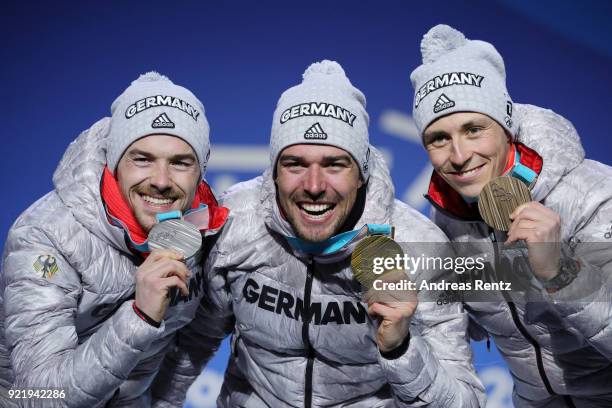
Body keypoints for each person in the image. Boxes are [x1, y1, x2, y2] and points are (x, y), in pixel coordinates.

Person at [153, 60, 485, 407]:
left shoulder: (419, 248)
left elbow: (465, 401)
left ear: (362, 173)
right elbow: (193, 343)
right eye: (295, 164)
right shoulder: (234, 223)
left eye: (334, 164)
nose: (314, 186)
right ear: (276, 171)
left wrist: (401, 348)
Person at [411, 24, 612, 407]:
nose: (458, 156)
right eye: (439, 138)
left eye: (473, 130)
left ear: (507, 129)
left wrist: (562, 273)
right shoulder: (448, 216)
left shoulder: (596, 195)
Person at [0, 72, 228, 406]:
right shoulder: (46, 236)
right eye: (142, 159)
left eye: (180, 162)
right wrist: (139, 317)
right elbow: (40, 396)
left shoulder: (203, 231)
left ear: (200, 170)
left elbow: (192, 344)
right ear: (115, 163)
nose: (161, 181)